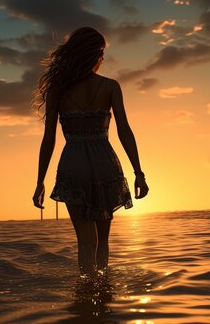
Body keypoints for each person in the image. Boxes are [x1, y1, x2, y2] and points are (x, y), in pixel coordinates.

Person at [32, 27, 149, 276]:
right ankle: (101, 294)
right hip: (105, 164)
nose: (103, 58)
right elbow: (124, 131)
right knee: (102, 239)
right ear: (94, 54)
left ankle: (85, 294)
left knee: (85, 239)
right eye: (102, 52)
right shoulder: (110, 87)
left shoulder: (57, 91)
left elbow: (49, 139)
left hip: (73, 164)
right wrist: (139, 172)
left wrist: (40, 181)